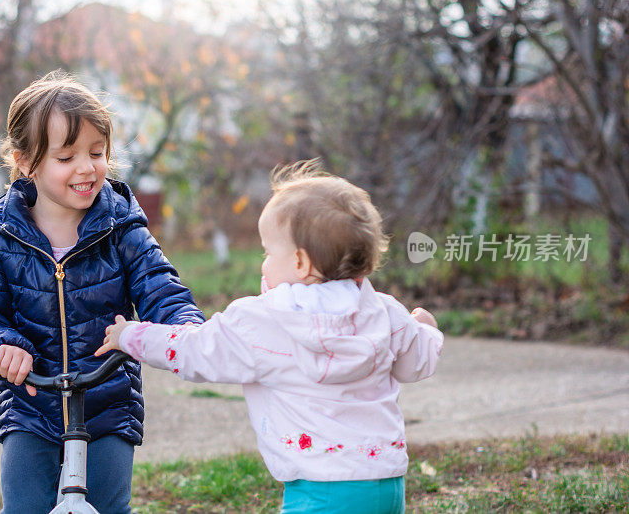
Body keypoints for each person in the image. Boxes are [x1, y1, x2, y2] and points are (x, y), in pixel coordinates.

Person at [97, 161, 443, 514]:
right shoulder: (385, 312)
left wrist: (132, 336)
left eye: (268, 252)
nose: (263, 262)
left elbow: (194, 352)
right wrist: (425, 326)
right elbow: (418, 363)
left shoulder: (263, 321)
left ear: (300, 264)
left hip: (318, 489)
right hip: (387, 484)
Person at [0, 70, 204, 514]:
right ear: (26, 162)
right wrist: (3, 346)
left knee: (110, 506)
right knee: (24, 507)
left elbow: (160, 289)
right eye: (66, 156)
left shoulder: (122, 228)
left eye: (96, 152)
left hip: (108, 401)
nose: (87, 168)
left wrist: (184, 328)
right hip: (31, 407)